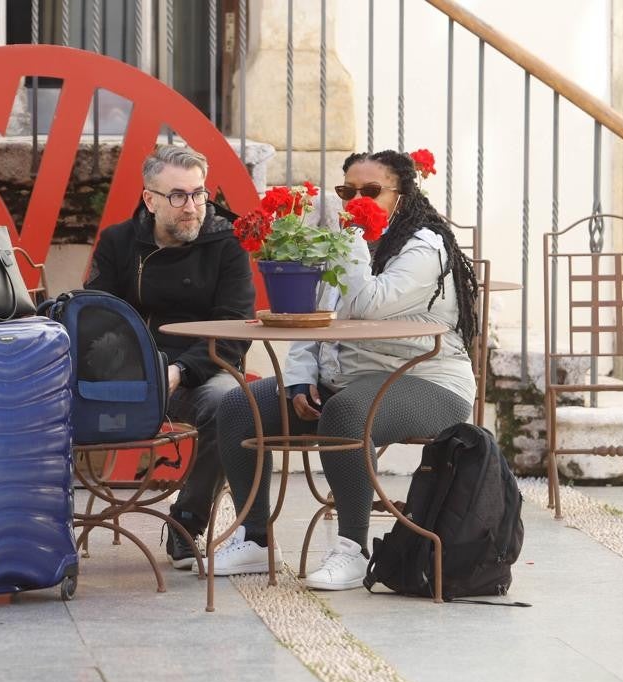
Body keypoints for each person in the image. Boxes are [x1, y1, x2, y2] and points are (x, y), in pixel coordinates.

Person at [211, 149, 480, 590]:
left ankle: (353, 549)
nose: (357, 201)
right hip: (350, 381)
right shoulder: (343, 244)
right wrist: (300, 379)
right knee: (240, 406)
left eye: (371, 192)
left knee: (347, 414)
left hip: (427, 381)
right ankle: (255, 539)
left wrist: (353, 235)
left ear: (402, 195)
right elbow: (314, 315)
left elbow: (367, 303)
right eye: (347, 192)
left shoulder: (424, 246)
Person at [85, 144, 256, 569]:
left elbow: (234, 328)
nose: (192, 207)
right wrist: (139, 369)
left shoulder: (228, 244)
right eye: (178, 196)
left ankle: (186, 521)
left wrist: (180, 370)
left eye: (199, 194)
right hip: (133, 372)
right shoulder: (119, 242)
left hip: (202, 368)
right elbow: (98, 318)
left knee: (231, 403)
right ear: (150, 200)